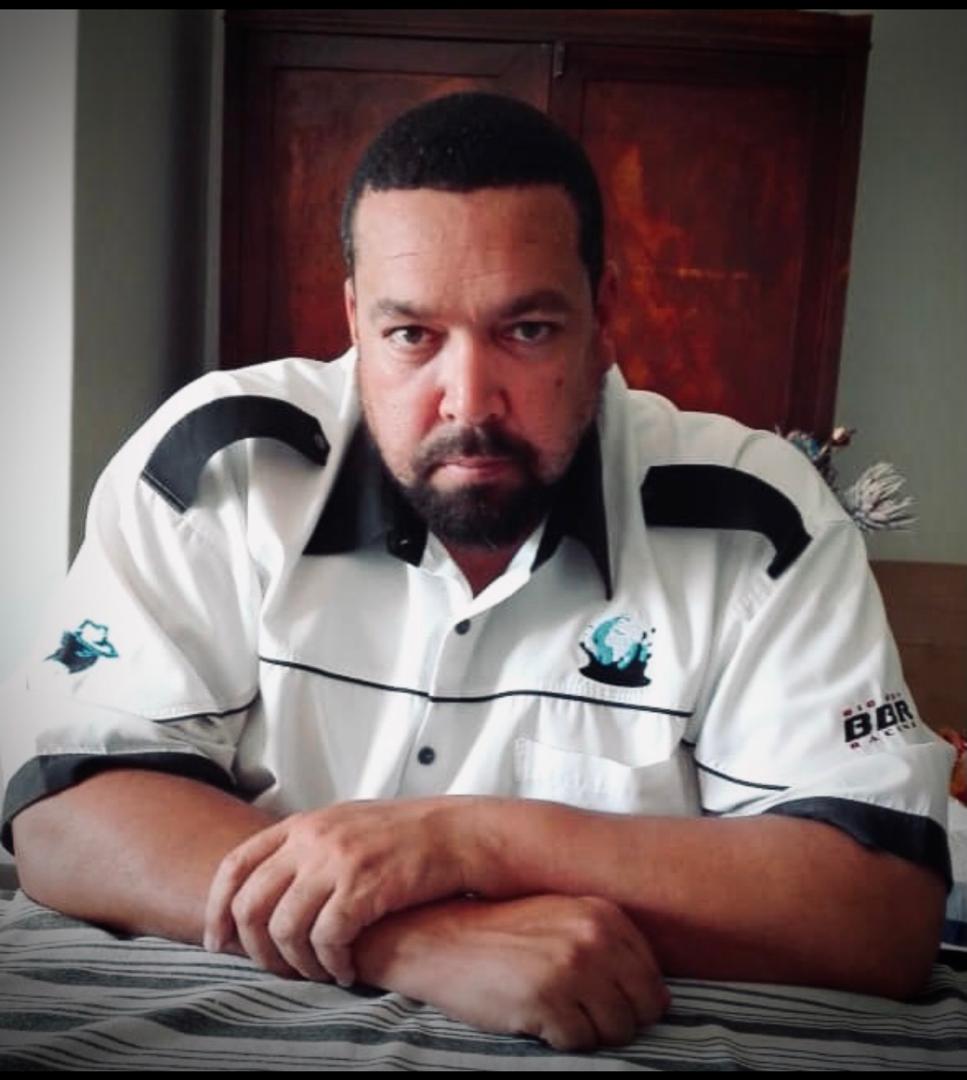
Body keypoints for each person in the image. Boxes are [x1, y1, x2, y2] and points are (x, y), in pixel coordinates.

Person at [1, 92, 954, 1052]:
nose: (468, 401)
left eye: (526, 330)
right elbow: (62, 809)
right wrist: (419, 939)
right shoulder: (223, 465)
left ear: (602, 315)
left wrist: (472, 841)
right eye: (411, 334)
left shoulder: (758, 515)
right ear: (354, 320)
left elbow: (880, 915)